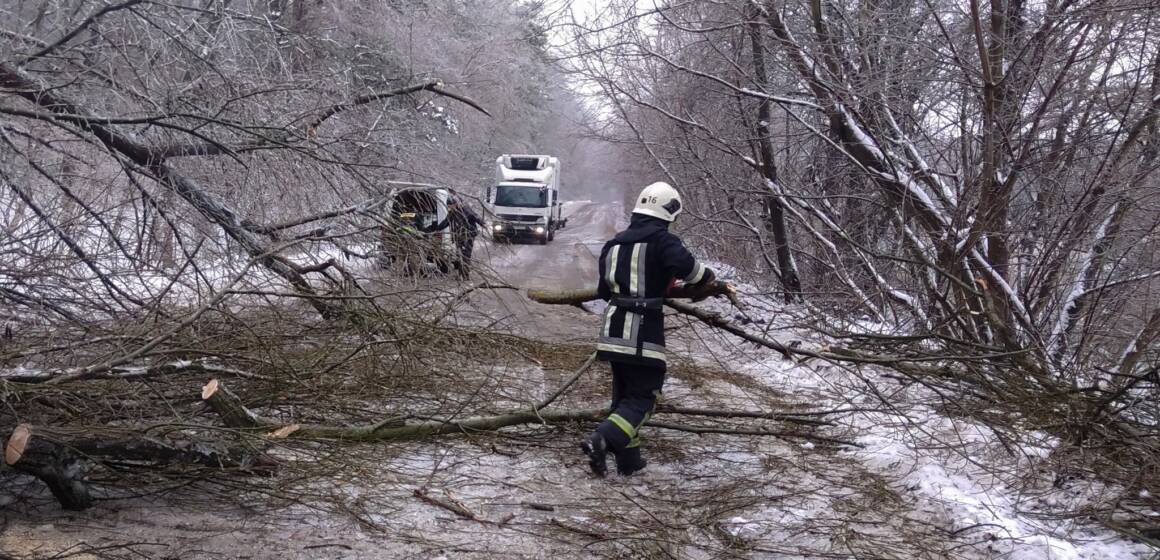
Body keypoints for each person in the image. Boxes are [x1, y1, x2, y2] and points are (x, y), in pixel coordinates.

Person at [581, 182, 716, 477]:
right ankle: (601, 440)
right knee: (644, 397)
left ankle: (629, 461)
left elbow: (604, 291)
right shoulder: (663, 241)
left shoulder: (613, 245)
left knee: (624, 398)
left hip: (613, 329)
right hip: (642, 330)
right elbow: (690, 270)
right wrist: (709, 277)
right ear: (668, 212)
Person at [424, 196, 484, 279]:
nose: (449, 208)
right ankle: (460, 274)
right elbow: (445, 222)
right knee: (459, 254)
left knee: (465, 255)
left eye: (450, 206)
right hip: (459, 236)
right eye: (448, 206)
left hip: (468, 235)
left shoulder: (465, 209)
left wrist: (483, 224)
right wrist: (435, 229)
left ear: (455, 204)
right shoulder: (452, 212)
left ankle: (465, 276)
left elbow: (475, 216)